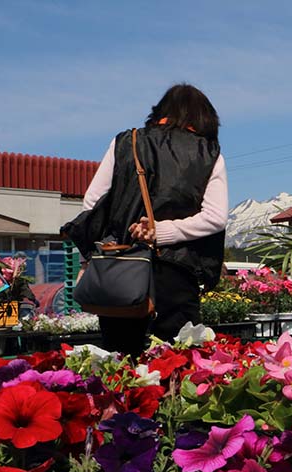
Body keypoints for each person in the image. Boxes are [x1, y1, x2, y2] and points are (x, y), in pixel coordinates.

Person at [72, 83, 228, 357]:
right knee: (176, 362)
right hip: (176, 274)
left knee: (120, 360)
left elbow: (92, 203)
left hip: (123, 269)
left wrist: (99, 251)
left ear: (160, 112)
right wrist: (162, 232)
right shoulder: (208, 153)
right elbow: (215, 218)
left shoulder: (126, 141)